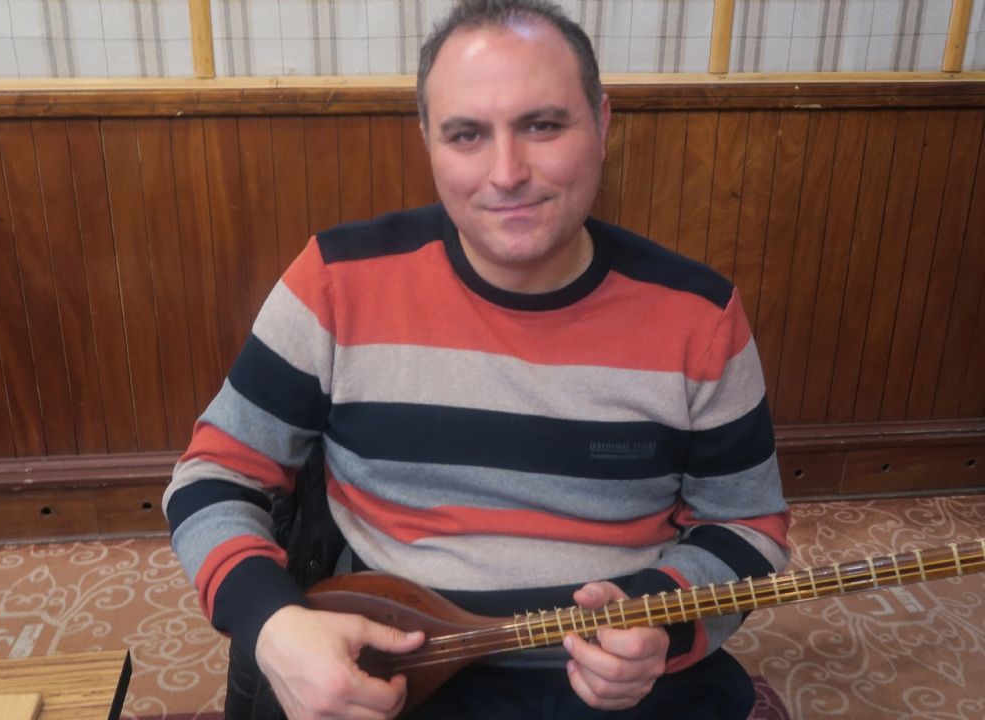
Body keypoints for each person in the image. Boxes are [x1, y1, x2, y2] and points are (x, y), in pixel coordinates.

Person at [163, 1, 791, 718]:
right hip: (395, 656)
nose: (507, 172)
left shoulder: (698, 315)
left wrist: (661, 623)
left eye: (542, 125)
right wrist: (272, 624)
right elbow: (214, 474)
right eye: (467, 135)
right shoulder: (336, 281)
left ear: (602, 124)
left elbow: (747, 525)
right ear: (428, 141)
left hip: (620, 680)